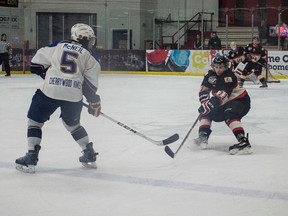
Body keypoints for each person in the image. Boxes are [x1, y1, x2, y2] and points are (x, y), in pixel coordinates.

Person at [15, 23, 101, 173]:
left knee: (35, 122)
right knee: (72, 125)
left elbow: (35, 65)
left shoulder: (59, 45)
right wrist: (94, 101)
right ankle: (89, 153)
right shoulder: (92, 55)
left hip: (50, 90)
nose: (90, 42)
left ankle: (31, 156)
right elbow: (90, 85)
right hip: (74, 95)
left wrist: (50, 76)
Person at [194, 56, 252, 155]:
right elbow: (204, 91)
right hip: (224, 102)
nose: (218, 70)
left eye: (221, 67)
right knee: (206, 111)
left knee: (230, 114)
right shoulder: (209, 75)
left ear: (226, 67)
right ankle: (203, 136)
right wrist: (205, 104)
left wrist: (209, 105)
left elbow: (224, 94)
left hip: (240, 100)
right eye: (216, 67)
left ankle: (243, 141)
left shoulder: (229, 76)